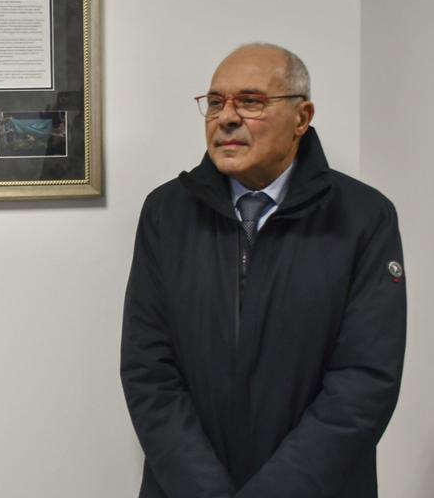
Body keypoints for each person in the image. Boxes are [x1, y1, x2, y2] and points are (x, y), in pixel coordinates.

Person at [120, 43, 406, 498]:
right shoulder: (166, 213)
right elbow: (148, 370)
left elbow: (363, 382)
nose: (226, 118)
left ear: (301, 117)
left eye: (250, 102)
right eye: (215, 103)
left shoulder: (364, 218)